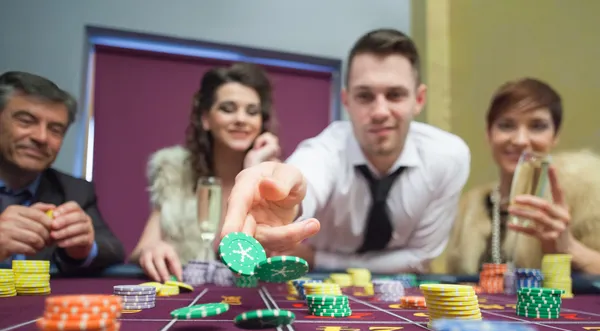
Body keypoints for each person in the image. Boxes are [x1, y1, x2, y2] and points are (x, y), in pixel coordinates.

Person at [220, 28, 471, 274]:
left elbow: (420, 257)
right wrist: (286, 201)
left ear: (418, 99)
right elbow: (304, 179)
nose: (380, 112)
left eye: (395, 95)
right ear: (346, 100)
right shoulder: (325, 150)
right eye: (365, 96)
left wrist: (318, 258)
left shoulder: (449, 157)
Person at [130, 62, 281, 282]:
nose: (241, 119)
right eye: (228, 109)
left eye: (252, 112)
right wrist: (151, 250)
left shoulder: (273, 179)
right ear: (206, 119)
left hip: (249, 301)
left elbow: (275, 257)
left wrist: (253, 169)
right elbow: (141, 249)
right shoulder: (176, 172)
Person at [446, 77, 600, 275]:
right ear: (488, 134)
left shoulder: (585, 193)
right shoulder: (471, 205)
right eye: (506, 125)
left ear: (555, 135)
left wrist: (570, 248)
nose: (520, 140)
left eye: (537, 126)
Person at [0, 71, 125, 274]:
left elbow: (112, 249)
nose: (41, 137)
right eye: (26, 121)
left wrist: (83, 249)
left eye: (55, 129)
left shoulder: (74, 190)